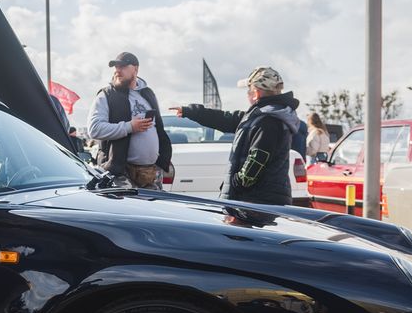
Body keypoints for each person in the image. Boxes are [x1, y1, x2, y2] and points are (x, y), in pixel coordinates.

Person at [170, 66, 300, 205]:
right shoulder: (259, 116)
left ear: (256, 93)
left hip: (255, 202)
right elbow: (225, 119)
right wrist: (191, 111)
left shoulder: (268, 121)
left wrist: (236, 185)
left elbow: (257, 160)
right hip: (258, 198)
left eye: (248, 90)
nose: (247, 94)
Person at [86, 51, 172, 189]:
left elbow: (158, 128)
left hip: (151, 173)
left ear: (136, 68)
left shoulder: (148, 93)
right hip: (120, 173)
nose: (118, 70)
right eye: (116, 67)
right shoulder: (106, 95)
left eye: (123, 66)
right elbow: (94, 129)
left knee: (153, 210)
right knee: (128, 210)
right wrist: (130, 127)